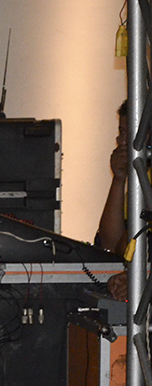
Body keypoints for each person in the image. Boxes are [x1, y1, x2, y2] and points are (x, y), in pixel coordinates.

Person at [95, 102, 130, 301]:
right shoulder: (140, 186)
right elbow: (111, 245)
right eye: (121, 132)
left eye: (128, 134)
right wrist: (118, 179)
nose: (121, 141)